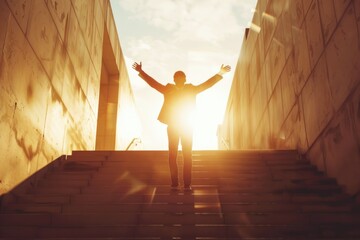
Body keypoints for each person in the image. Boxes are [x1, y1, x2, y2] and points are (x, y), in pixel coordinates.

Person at [132, 62, 231, 191]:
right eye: (177, 78)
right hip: (173, 125)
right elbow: (153, 84)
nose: (179, 80)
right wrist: (141, 71)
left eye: (181, 78)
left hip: (186, 125)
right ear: (174, 80)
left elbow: (206, 85)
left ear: (184, 80)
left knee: (187, 155)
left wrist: (220, 74)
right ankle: (174, 183)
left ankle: (187, 184)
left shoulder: (191, 89)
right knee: (172, 154)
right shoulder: (168, 89)